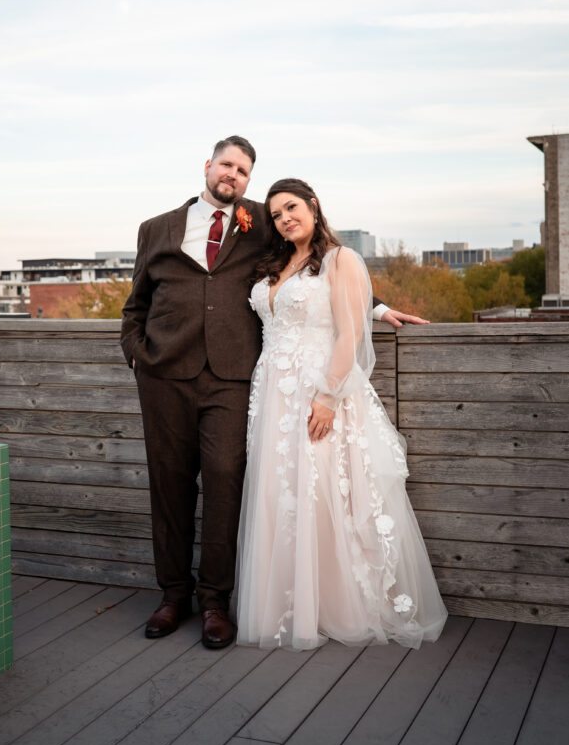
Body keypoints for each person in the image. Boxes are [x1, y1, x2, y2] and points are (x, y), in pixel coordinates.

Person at [121, 137, 428, 650]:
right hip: (165, 376)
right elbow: (137, 303)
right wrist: (135, 353)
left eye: (243, 171)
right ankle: (173, 596)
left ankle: (216, 601)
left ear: (249, 180)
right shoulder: (156, 229)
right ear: (208, 166)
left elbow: (321, 262)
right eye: (227, 165)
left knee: (226, 482)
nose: (233, 176)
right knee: (169, 486)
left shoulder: (263, 220)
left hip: (232, 379)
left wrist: (376, 308)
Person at [234, 178, 447, 649]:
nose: (284, 218)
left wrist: (328, 398)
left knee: (323, 490)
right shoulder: (275, 262)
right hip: (271, 394)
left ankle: (336, 603)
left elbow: (348, 331)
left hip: (319, 388)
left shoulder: (341, 258)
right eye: (275, 214)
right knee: (281, 494)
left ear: (313, 205)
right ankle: (290, 602)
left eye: (291, 207)